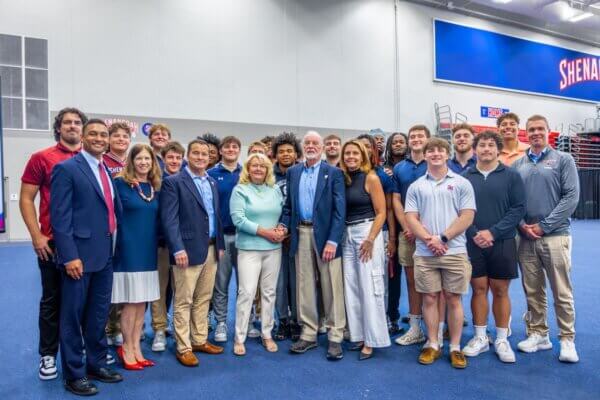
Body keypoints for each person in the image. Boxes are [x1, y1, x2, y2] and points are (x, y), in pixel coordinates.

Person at [50, 119, 123, 396]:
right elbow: (60, 217)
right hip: (78, 258)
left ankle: (96, 363)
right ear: (82, 136)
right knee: (72, 317)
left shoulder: (105, 169)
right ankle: (74, 374)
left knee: (97, 315)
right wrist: (69, 256)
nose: (99, 138)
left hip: (105, 256)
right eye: (93, 133)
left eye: (103, 134)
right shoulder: (66, 169)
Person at [20, 107, 87, 381]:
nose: (72, 126)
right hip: (52, 243)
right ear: (59, 128)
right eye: (67, 122)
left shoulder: (92, 159)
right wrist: (36, 235)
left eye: (77, 122)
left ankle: (78, 349)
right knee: (52, 301)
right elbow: (26, 198)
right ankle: (48, 355)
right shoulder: (42, 158)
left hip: (85, 243)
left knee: (82, 301)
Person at [513, 115, 580, 363]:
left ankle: (567, 339)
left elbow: (571, 197)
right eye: (531, 129)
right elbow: (514, 202)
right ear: (525, 134)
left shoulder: (564, 160)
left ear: (549, 132)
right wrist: (522, 226)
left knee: (561, 290)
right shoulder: (518, 165)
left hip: (555, 236)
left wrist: (544, 226)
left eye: (540, 129)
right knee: (532, 290)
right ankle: (539, 334)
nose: (535, 133)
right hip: (525, 237)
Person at [404, 137, 476, 369]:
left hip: (454, 250)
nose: (435, 154)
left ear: (447, 155)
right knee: (429, 298)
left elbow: (467, 216)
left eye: (440, 150)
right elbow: (411, 218)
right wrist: (429, 240)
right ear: (425, 156)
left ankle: (455, 347)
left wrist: (443, 238)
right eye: (431, 151)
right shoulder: (416, 186)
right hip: (425, 253)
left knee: (453, 299)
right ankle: (432, 343)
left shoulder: (462, 183)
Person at [280, 130, 347, 361]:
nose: (310, 146)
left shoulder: (334, 173)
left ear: (321, 147)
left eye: (314, 143)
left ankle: (335, 336)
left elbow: (340, 212)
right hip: (301, 232)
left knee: (331, 286)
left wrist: (333, 240)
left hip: (327, 236)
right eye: (307, 143)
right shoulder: (293, 172)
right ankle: (308, 332)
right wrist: (283, 226)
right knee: (304, 285)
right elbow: (288, 207)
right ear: (303, 147)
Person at [160, 139, 225, 367]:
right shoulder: (174, 182)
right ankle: (183, 346)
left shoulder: (212, 182)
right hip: (186, 250)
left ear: (210, 158)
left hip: (211, 248)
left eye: (204, 154)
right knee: (184, 300)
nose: (200, 157)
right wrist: (177, 248)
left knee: (203, 298)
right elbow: (169, 219)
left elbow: (215, 216)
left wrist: (220, 246)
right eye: (195, 153)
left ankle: (199, 340)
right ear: (188, 155)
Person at [462, 131, 526, 363]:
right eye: (482, 145)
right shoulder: (464, 177)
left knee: (500, 290)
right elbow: (459, 211)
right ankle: (480, 337)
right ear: (474, 150)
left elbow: (518, 208)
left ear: (498, 149)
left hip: (502, 241)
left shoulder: (512, 175)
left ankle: (501, 339)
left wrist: (493, 232)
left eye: (491, 145)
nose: (486, 149)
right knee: (478, 289)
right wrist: (474, 233)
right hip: (473, 243)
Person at [339, 140, 390, 360]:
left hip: (366, 232)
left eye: (355, 153)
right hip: (347, 234)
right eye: (347, 153)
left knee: (370, 285)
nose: (351, 156)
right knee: (352, 285)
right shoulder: (343, 179)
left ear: (363, 156)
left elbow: (381, 212)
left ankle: (373, 340)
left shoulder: (371, 178)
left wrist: (370, 239)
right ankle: (358, 335)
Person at [112, 144, 161, 369]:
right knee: (131, 302)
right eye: (139, 158)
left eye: (147, 159)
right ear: (132, 161)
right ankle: (127, 347)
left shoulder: (154, 186)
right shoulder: (120, 184)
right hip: (128, 249)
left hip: (148, 250)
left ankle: (137, 347)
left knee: (142, 303)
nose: (143, 162)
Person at [230, 153, 285, 355]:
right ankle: (239, 337)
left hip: (273, 250)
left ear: (268, 169)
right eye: (254, 166)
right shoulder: (240, 190)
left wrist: (281, 229)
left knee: (269, 293)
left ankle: (267, 334)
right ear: (248, 168)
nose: (258, 169)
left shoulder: (275, 190)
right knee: (247, 292)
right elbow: (238, 219)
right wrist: (266, 232)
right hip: (249, 249)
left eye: (263, 166)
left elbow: (282, 214)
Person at [357, 134, 398, 333]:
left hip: (379, 233)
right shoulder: (348, 173)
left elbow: (388, 209)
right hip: (353, 234)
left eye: (368, 146)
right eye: (360, 146)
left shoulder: (383, 174)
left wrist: (391, 239)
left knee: (378, 280)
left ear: (374, 150)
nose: (364, 149)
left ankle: (383, 321)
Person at [392, 125, 429, 345]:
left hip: (431, 233)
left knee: (436, 282)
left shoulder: (436, 162)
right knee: (412, 280)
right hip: (407, 233)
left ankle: (438, 327)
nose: (415, 139)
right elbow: (396, 199)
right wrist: (407, 225)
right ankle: (415, 328)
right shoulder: (400, 168)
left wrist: (422, 229)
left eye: (420, 136)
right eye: (412, 136)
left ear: (428, 139)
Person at [151, 140, 186, 352]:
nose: (174, 161)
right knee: (160, 289)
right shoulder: (155, 182)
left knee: (180, 289)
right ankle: (159, 329)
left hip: (184, 245)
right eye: (170, 157)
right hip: (162, 244)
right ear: (163, 160)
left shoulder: (186, 181)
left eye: (178, 158)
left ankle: (178, 326)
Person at [208, 136, 242, 343]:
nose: (230, 149)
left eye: (235, 146)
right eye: (227, 146)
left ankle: (242, 322)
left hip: (244, 237)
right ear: (220, 150)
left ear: (239, 150)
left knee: (245, 284)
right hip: (222, 237)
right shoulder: (211, 174)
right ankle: (221, 322)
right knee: (220, 283)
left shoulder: (246, 173)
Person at [103, 122, 132, 348]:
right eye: (117, 136)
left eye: (125, 136)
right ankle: (108, 327)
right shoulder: (103, 163)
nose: (121, 139)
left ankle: (123, 326)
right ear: (109, 140)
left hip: (130, 229)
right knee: (108, 281)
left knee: (125, 279)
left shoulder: (132, 163)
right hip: (108, 229)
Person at [271, 132, 302, 341]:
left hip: (296, 234)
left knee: (297, 279)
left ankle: (296, 320)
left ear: (296, 153)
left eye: (289, 151)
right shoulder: (268, 175)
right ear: (275, 155)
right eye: (281, 151)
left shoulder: (301, 173)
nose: (285, 154)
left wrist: (290, 230)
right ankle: (282, 319)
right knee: (279, 280)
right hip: (272, 236)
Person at [382, 132, 408, 331]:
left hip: (414, 227)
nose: (398, 144)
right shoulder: (383, 168)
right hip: (391, 227)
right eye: (395, 142)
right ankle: (392, 316)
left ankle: (420, 314)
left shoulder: (414, 166)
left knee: (417, 275)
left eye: (402, 141)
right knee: (392, 276)